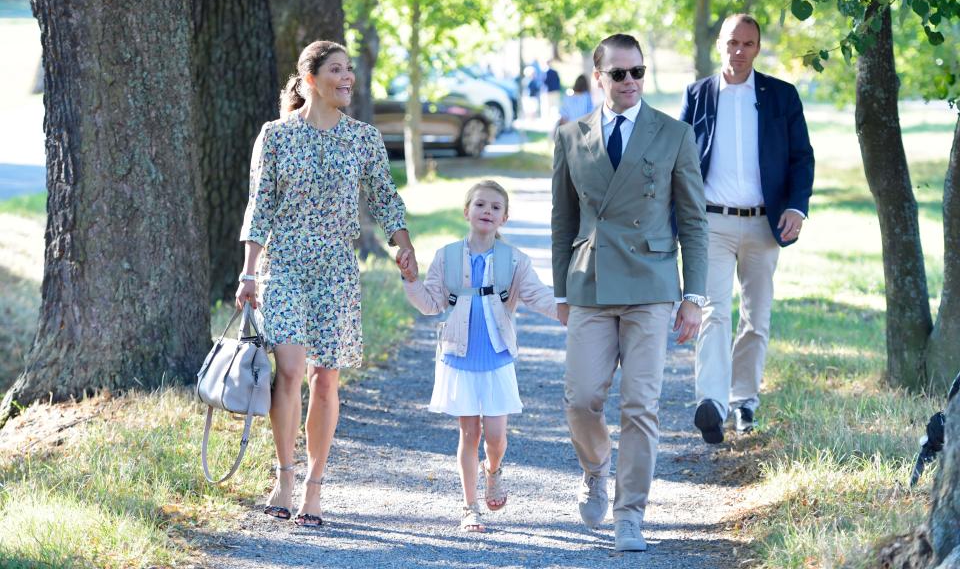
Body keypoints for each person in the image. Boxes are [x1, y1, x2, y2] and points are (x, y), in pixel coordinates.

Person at [236, 40, 416, 527]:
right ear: (311, 79)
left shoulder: (362, 138)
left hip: (336, 269)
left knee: (326, 377)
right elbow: (260, 205)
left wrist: (403, 245)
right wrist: (249, 271)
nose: (348, 78)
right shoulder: (274, 136)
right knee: (291, 369)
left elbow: (385, 198)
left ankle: (315, 488)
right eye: (337, 70)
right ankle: (284, 477)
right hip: (286, 265)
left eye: (350, 70)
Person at [552, 34, 708, 552]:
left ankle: (629, 515)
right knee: (582, 399)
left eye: (637, 72)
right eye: (618, 74)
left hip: (651, 281)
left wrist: (695, 296)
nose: (630, 82)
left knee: (641, 405)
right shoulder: (571, 136)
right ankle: (595, 469)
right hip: (591, 282)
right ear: (599, 77)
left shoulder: (673, 134)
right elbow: (562, 220)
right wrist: (560, 290)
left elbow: (692, 219)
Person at [679, 14, 814, 444]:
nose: (738, 51)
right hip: (711, 223)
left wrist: (796, 207)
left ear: (758, 48)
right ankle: (712, 405)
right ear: (720, 43)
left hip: (764, 222)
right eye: (732, 42)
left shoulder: (781, 96)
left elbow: (802, 158)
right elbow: (679, 162)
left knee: (756, 317)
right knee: (713, 312)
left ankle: (744, 401)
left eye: (748, 44)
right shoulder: (697, 94)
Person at [399, 180, 558, 533]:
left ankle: (494, 468)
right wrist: (410, 279)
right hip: (459, 356)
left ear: (504, 218)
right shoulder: (448, 256)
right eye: (480, 205)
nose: (487, 211)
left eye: (495, 207)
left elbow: (539, 297)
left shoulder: (514, 260)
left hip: (497, 357)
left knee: (496, 437)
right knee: (469, 433)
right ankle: (470, 507)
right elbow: (431, 303)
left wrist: (572, 311)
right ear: (466, 211)